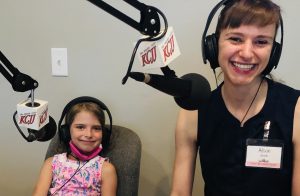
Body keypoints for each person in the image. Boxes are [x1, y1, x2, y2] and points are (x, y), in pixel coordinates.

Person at [171, 0, 300, 196]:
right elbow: (179, 193)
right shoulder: (194, 109)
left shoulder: (296, 108)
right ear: (213, 45)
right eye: (236, 39)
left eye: (261, 41)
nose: (247, 53)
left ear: (274, 52)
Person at [33, 99, 117, 196]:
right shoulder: (51, 163)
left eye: (96, 128)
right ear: (67, 132)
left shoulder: (106, 169)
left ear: (104, 134)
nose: (88, 134)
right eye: (80, 127)